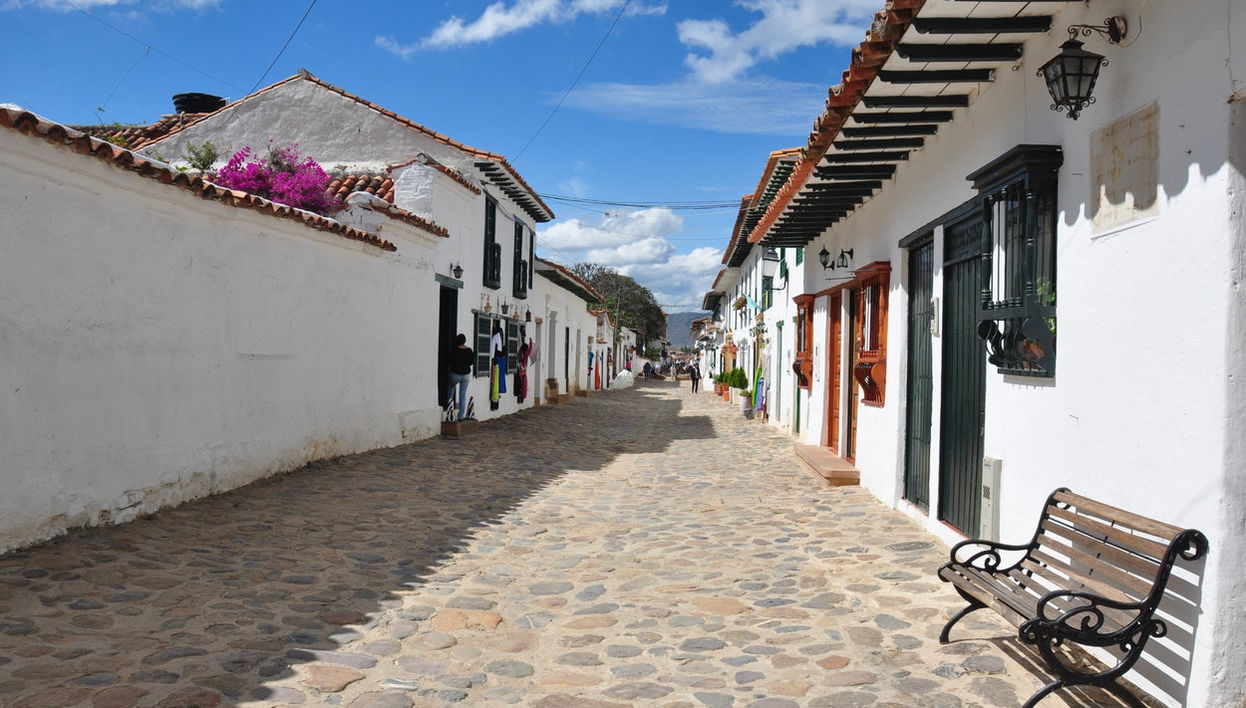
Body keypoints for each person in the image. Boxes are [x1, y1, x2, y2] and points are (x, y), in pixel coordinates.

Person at [446, 333, 474, 421]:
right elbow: (471, 362)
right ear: (464, 341)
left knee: (450, 392)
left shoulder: (454, 350)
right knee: (462, 395)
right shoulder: (469, 350)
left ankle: (449, 412)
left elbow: (449, 361)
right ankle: (461, 416)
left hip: (454, 374)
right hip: (466, 375)